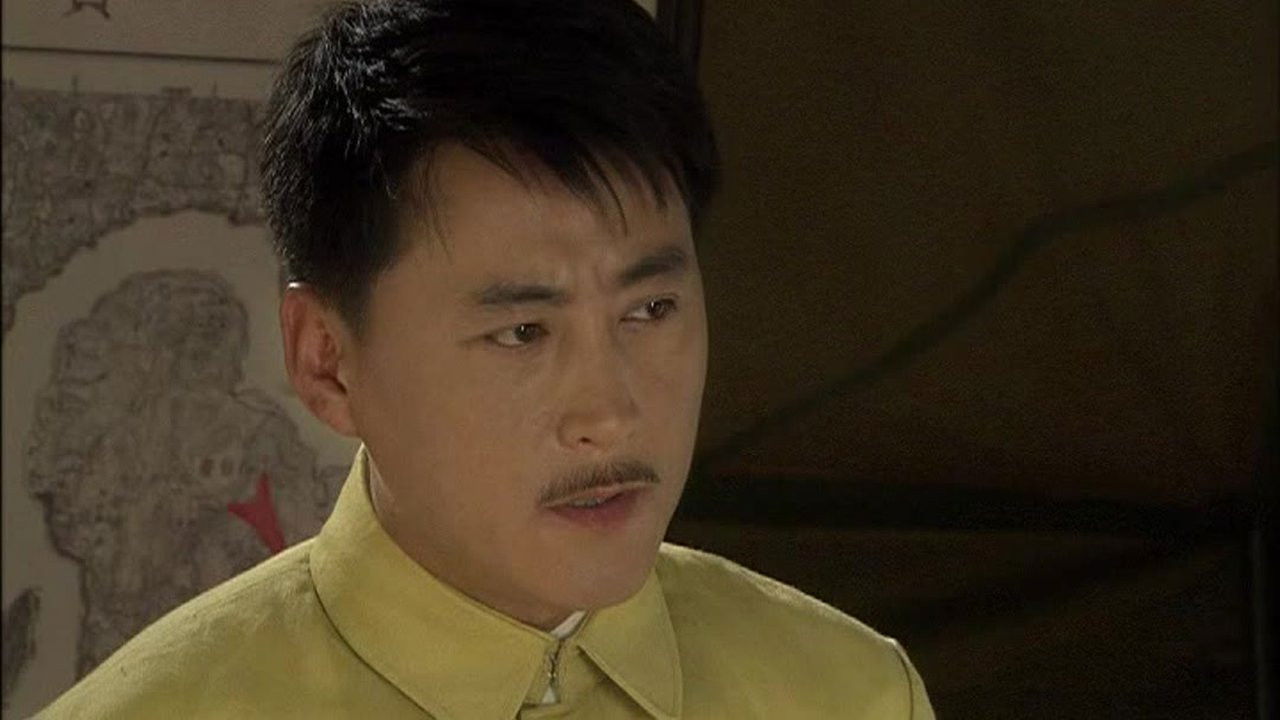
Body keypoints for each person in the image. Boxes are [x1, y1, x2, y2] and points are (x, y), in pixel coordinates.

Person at [39, 0, 935, 717]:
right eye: (523, 332)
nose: (610, 416)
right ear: (327, 362)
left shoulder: (851, 693)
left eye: (651, 309)